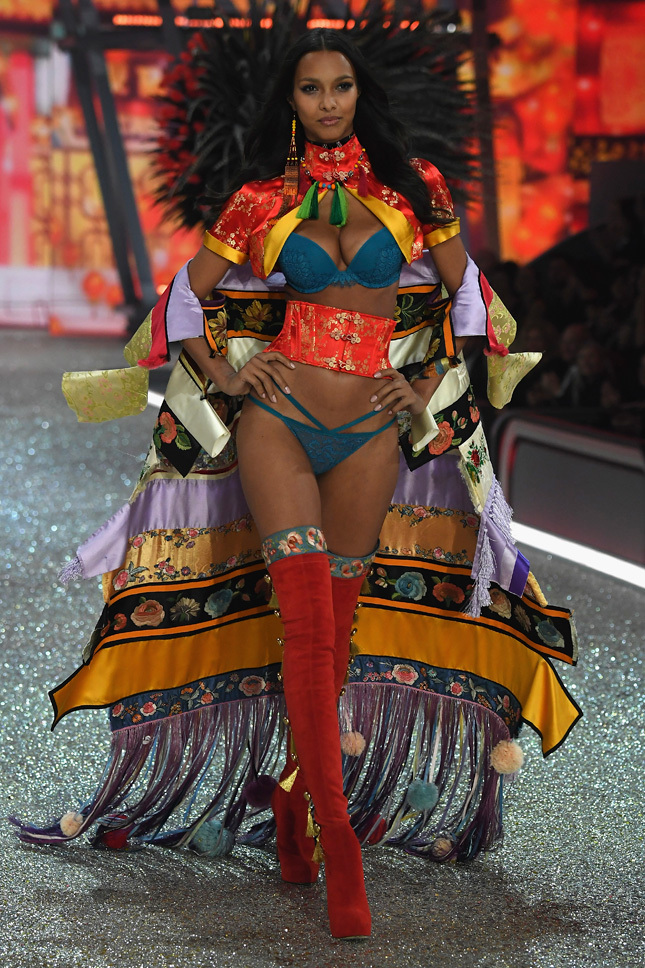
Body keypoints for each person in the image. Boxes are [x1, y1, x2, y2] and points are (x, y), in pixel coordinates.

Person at [13, 29, 581, 941]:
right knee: (309, 630)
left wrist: (427, 384)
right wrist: (227, 374)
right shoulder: (258, 200)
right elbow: (184, 299)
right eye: (311, 88)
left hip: (369, 433)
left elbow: (469, 298)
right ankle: (341, 844)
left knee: (335, 642)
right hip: (277, 424)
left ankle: (294, 799)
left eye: (340, 86)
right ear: (291, 99)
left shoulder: (414, 190)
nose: (326, 102)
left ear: (359, 94)